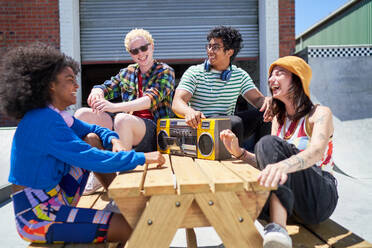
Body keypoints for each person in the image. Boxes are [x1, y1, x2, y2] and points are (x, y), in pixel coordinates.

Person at [0, 43, 165, 245]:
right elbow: (89, 157)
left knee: (92, 139)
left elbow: (94, 131)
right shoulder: (43, 121)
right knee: (127, 226)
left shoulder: (56, 115)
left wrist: (113, 139)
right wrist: (141, 158)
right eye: (70, 81)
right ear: (51, 85)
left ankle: (117, 199)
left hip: (58, 195)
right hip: (36, 216)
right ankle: (116, 211)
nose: (76, 86)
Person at [220, 56, 338, 248]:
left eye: (279, 73)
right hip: (291, 201)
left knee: (267, 143)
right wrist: (239, 151)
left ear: (298, 79)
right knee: (242, 188)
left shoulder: (320, 114)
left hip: (319, 197)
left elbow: (316, 152)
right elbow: (268, 162)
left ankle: (277, 229)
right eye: (270, 75)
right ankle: (235, 239)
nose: (271, 79)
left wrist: (282, 165)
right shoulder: (279, 119)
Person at [74, 28, 175, 194]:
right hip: (123, 125)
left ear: (152, 47)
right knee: (81, 115)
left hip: (150, 131)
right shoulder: (127, 72)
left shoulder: (165, 71)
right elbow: (107, 86)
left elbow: (149, 100)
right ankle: (97, 171)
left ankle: (122, 181)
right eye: (135, 51)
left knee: (121, 119)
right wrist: (97, 91)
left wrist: (114, 107)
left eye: (144, 48)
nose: (140, 53)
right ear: (130, 53)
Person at [172, 25, 271, 146]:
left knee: (265, 114)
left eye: (215, 47)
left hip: (230, 125)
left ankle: (261, 156)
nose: (210, 50)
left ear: (229, 52)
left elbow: (258, 100)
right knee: (234, 122)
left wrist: (267, 102)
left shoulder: (239, 75)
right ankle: (234, 158)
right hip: (203, 128)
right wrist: (189, 112)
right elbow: (177, 102)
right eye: (209, 46)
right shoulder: (194, 72)